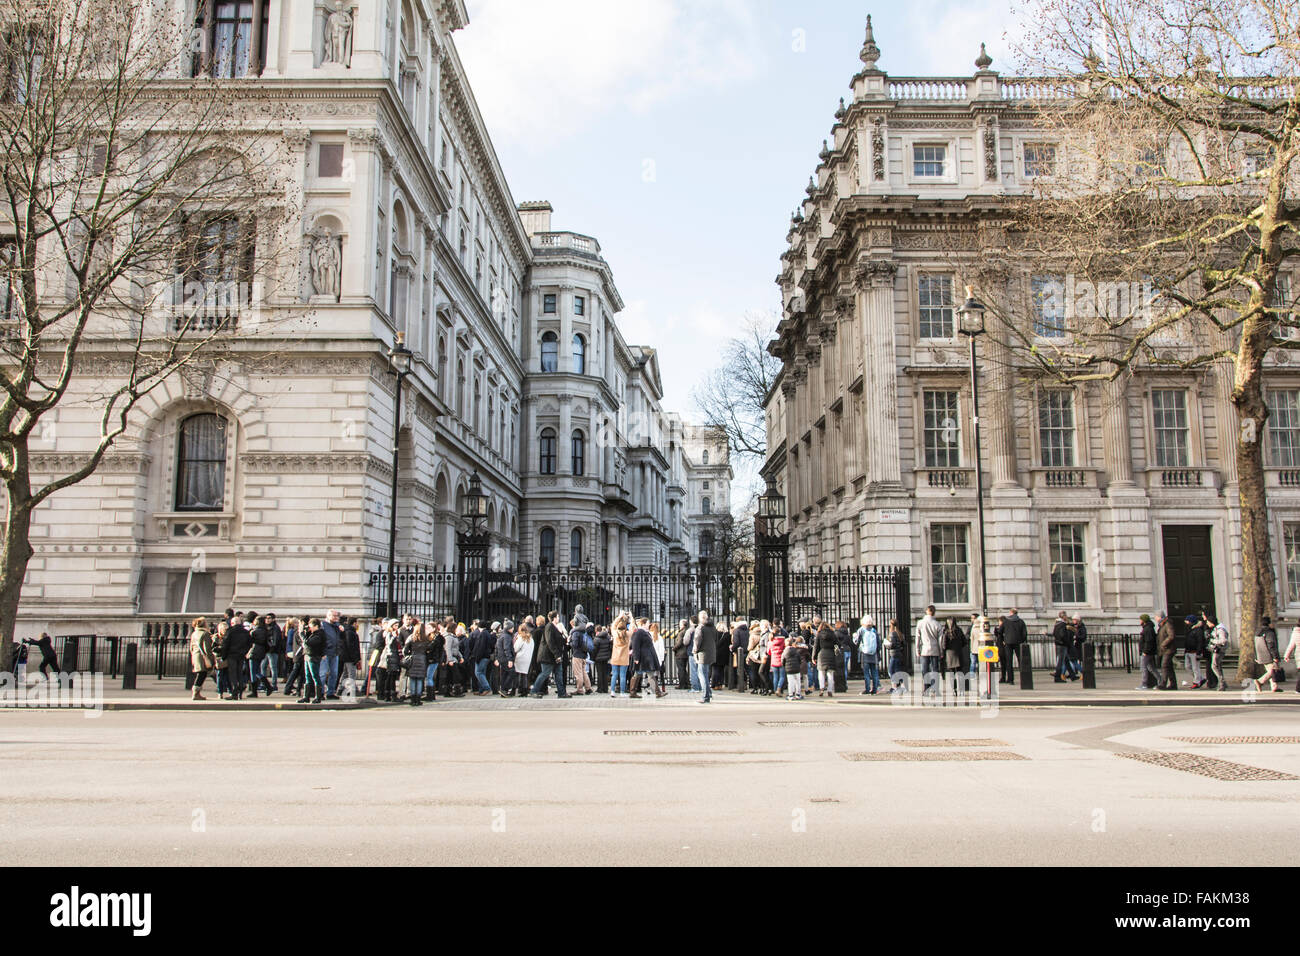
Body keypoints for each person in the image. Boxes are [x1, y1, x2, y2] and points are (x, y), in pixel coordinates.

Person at [530, 611, 569, 698]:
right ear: (554, 618)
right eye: (558, 617)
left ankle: (561, 692)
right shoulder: (549, 627)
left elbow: (558, 640)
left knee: (559, 674)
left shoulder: (554, 627)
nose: (559, 618)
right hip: (548, 656)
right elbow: (550, 642)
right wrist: (556, 655)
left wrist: (565, 639)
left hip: (554, 656)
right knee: (545, 673)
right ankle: (534, 690)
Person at [629, 619, 666, 699]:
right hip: (643, 658)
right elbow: (635, 645)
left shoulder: (645, 632)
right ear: (643, 624)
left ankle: (633, 692)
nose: (649, 624)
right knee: (646, 674)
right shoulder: (638, 632)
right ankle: (656, 692)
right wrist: (636, 657)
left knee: (643, 674)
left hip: (646, 658)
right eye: (648, 623)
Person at [915, 605, 944, 699]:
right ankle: (935, 688)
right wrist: (941, 651)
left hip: (925, 649)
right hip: (935, 649)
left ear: (926, 611)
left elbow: (917, 638)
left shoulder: (920, 623)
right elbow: (940, 640)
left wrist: (917, 649)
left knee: (925, 670)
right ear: (934, 612)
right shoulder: (937, 624)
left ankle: (926, 688)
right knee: (935, 670)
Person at [1251, 617, 1283, 693]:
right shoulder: (1269, 632)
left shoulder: (1257, 632)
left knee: (1270, 670)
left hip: (1260, 655)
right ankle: (1260, 681)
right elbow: (1271, 644)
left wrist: (1256, 656)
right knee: (1272, 671)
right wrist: (1275, 656)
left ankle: (1274, 687)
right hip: (1268, 655)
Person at [223, 614, 251, 700]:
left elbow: (226, 644)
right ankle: (240, 693)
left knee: (233, 674)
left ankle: (234, 692)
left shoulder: (230, 631)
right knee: (239, 673)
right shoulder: (246, 632)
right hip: (241, 654)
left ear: (232, 623)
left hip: (232, 654)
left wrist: (224, 656)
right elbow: (249, 644)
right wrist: (245, 651)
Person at [403, 624, 432, 706]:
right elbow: (429, 649)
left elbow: (405, 650)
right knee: (419, 680)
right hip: (422, 659)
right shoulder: (425, 639)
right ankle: (418, 699)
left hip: (413, 659)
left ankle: (413, 699)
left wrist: (409, 654)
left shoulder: (411, 638)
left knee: (412, 680)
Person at [318, 609, 344, 699]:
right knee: (323, 673)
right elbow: (320, 639)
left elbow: (341, 638)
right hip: (325, 652)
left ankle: (331, 692)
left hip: (335, 652)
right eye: (334, 616)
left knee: (334, 673)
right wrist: (322, 651)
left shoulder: (337, 626)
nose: (336, 618)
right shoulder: (323, 625)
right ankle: (320, 693)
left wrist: (341, 630)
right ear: (328, 616)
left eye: (337, 616)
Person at [188, 617, 215, 701]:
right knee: (201, 675)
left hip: (196, 656)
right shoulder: (205, 634)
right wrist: (211, 660)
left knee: (200, 674)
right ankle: (195, 693)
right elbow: (207, 649)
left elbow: (191, 647)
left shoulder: (194, 633)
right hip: (202, 657)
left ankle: (197, 693)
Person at [694, 610, 718, 703]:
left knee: (702, 675)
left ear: (700, 618)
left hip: (702, 653)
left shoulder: (700, 628)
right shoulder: (713, 627)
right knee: (706, 674)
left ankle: (705, 696)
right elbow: (715, 638)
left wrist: (695, 650)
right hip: (711, 652)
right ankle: (709, 693)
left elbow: (697, 641)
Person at [300, 619, 326, 704]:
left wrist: (302, 635)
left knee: (315, 676)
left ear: (316, 626)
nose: (310, 628)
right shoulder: (312, 634)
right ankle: (306, 697)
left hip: (313, 656)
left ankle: (318, 697)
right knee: (307, 676)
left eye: (311, 626)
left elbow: (308, 643)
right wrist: (306, 632)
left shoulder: (319, 634)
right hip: (308, 655)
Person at [943, 617, 970, 698]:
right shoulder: (959, 631)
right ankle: (961, 689)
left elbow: (944, 645)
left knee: (952, 674)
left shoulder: (946, 632)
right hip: (958, 653)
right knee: (960, 672)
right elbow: (965, 642)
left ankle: (954, 690)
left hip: (949, 654)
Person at [246, 615, 272, 697]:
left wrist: (251, 629)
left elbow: (249, 641)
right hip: (261, 651)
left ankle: (258, 690)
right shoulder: (265, 631)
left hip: (254, 651)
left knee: (254, 672)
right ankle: (267, 686)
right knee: (257, 670)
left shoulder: (254, 631)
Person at [1000, 609, 1027, 683]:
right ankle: (1024, 678)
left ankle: (1010, 679)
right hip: (1018, 642)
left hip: (1008, 642)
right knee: (1020, 661)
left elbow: (1000, 631)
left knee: (1009, 661)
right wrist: (1022, 640)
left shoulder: (1006, 621)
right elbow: (1024, 633)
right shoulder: (1021, 621)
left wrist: (1003, 639)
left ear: (1011, 613)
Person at [855, 616, 880, 694]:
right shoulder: (874, 630)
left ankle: (867, 689)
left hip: (864, 654)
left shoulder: (861, 630)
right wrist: (877, 651)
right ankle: (875, 690)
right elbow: (878, 643)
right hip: (874, 654)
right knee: (874, 673)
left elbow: (856, 641)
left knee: (866, 673)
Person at [1206, 613, 1230, 692]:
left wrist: (1213, 641)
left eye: (1208, 622)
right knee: (1218, 666)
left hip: (1219, 650)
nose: (1207, 623)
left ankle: (1222, 682)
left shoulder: (1220, 630)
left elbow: (1223, 640)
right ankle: (1223, 683)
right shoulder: (1216, 628)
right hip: (1217, 649)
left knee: (1214, 666)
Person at [1136, 613, 1160, 690]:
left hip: (1147, 652)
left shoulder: (1148, 629)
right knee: (1152, 668)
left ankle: (1144, 684)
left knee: (1144, 668)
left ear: (1143, 620)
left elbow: (1149, 641)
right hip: (1149, 652)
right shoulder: (1148, 628)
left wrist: (1145, 651)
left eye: (1140, 619)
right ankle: (1161, 681)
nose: (1139, 621)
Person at [1182, 614, 1207, 688]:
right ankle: (1200, 679)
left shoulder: (1198, 630)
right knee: (1187, 667)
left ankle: (1196, 682)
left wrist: (1199, 652)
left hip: (1194, 651)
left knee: (1195, 668)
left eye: (1187, 621)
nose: (1185, 622)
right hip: (1188, 651)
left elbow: (1200, 642)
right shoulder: (1189, 629)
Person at [815, 622, 838, 698]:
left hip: (821, 654)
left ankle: (821, 688)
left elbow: (816, 647)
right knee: (830, 674)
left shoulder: (819, 634)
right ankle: (830, 690)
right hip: (831, 654)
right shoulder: (833, 634)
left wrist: (813, 657)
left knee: (821, 673)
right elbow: (838, 644)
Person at [610, 615, 631, 697]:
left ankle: (612, 691)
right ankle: (622, 692)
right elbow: (632, 627)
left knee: (614, 675)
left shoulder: (615, 634)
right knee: (623, 675)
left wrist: (619, 616)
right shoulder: (627, 635)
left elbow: (613, 625)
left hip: (615, 657)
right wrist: (631, 617)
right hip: (624, 658)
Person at [570, 619, 593, 695]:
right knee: (584, 672)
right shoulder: (584, 632)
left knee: (578, 673)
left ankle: (579, 689)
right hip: (584, 654)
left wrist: (569, 642)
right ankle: (588, 688)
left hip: (577, 655)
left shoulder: (576, 633)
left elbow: (575, 645)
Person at [1156, 611, 1178, 690]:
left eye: (1156, 616)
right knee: (1169, 667)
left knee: (1164, 666)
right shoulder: (1162, 625)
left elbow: (1171, 636)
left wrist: (1163, 644)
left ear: (1160, 617)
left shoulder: (1167, 624)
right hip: (1165, 650)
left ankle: (1163, 684)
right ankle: (1173, 684)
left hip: (1168, 649)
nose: (1155, 618)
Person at [1051, 611, 1074, 684]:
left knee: (1066, 660)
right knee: (1060, 662)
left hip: (1059, 644)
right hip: (1062, 645)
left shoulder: (1057, 624)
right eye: (1065, 615)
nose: (1066, 617)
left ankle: (1072, 675)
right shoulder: (1062, 624)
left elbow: (1054, 633)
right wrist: (1066, 642)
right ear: (1063, 616)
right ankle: (1057, 677)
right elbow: (1063, 635)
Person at [784, 634, 807, 701]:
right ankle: (798, 694)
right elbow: (799, 659)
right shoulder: (796, 651)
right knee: (798, 681)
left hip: (788, 668)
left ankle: (790, 695)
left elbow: (783, 660)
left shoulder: (785, 651)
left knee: (790, 682)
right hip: (796, 668)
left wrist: (785, 665)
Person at [673, 618, 693, 691]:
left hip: (680, 653)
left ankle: (682, 684)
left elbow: (679, 642)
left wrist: (674, 648)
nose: (679, 625)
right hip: (685, 653)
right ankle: (687, 683)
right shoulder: (686, 631)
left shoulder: (682, 632)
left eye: (680, 624)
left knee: (681, 669)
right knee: (684, 669)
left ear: (683, 625)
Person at [1284, 620, 1300, 693]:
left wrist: (1286, 655)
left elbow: (1291, 645)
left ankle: (1298, 689)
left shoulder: (1295, 633)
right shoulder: (1296, 632)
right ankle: (1298, 688)